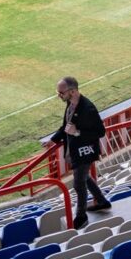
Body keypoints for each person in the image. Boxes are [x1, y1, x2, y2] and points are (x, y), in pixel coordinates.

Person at [51, 76, 111, 229]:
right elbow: (65, 126)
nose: (59, 95)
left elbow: (100, 131)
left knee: (79, 183)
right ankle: (102, 201)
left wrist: (77, 132)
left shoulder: (88, 108)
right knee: (85, 178)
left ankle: (81, 216)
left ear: (72, 91)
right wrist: (53, 140)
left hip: (86, 151)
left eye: (61, 93)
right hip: (75, 151)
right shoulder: (71, 104)